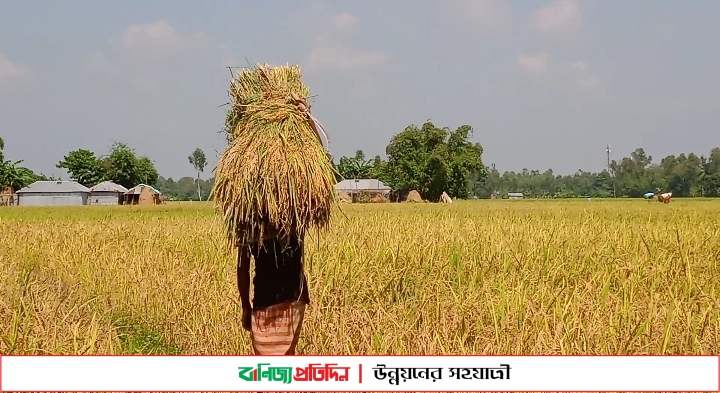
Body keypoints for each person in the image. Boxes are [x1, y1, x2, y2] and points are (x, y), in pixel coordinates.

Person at [236, 231, 310, 355]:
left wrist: (245, 306)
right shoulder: (292, 216)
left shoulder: (248, 221)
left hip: (268, 299)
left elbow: (242, 268)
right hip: (293, 296)